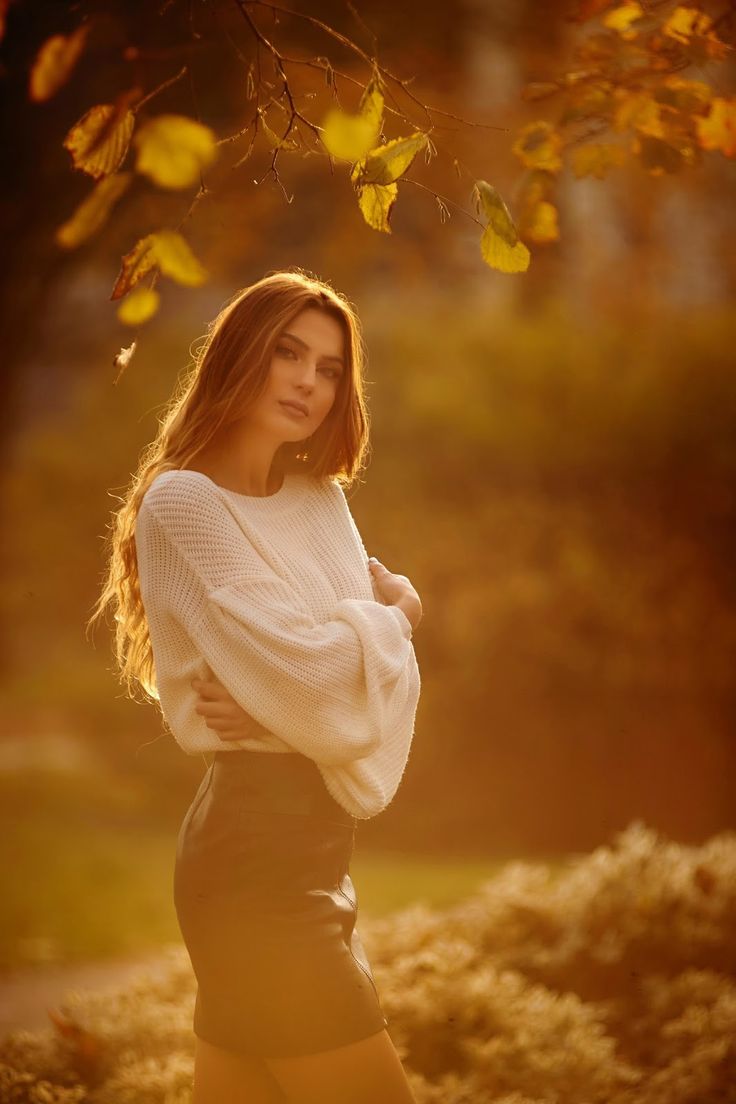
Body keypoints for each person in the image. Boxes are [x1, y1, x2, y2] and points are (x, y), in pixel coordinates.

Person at [87, 268, 423, 1104]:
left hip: (320, 857)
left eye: (331, 368)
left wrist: (319, 685)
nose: (310, 381)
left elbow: (358, 699)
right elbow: (320, 685)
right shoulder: (184, 504)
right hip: (252, 867)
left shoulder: (321, 501)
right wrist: (401, 623)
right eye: (288, 354)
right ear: (241, 355)